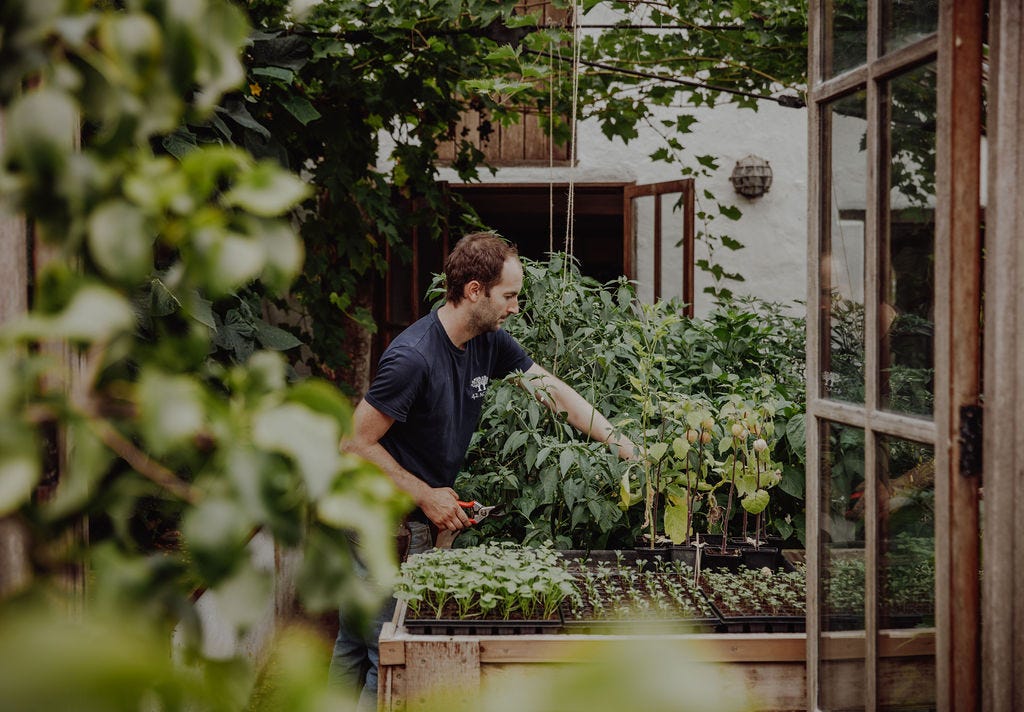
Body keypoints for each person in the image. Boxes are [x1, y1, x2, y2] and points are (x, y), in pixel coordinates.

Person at [328, 232, 635, 709]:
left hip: (401, 517)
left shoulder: (487, 341)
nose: (515, 307)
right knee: (383, 647)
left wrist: (618, 441)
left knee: (356, 638)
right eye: (509, 296)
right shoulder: (413, 358)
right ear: (475, 291)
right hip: (375, 518)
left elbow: (548, 388)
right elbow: (354, 442)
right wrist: (428, 495)